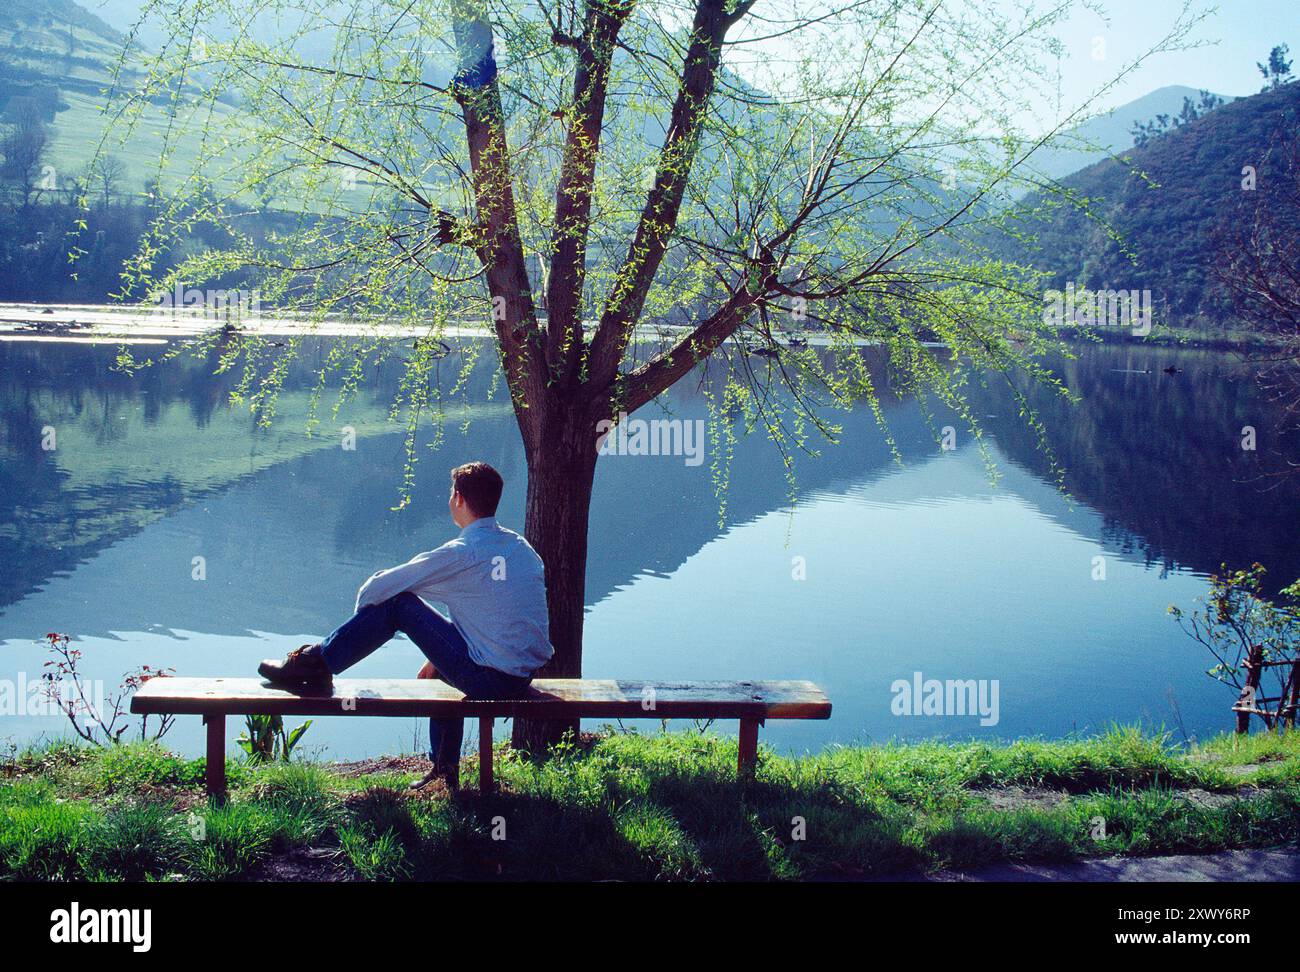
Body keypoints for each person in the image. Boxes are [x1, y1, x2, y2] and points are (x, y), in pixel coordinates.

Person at [258, 461, 552, 791]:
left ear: (458, 498)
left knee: (399, 604)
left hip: (491, 679)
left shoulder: (463, 553)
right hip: (520, 675)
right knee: (437, 669)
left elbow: (377, 589)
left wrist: (366, 622)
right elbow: (494, 612)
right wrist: (438, 654)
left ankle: (314, 662)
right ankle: (443, 772)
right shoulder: (519, 547)